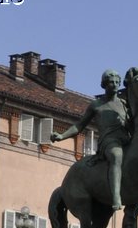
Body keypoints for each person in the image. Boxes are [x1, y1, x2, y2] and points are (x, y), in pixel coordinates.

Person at [52, 68, 129, 212]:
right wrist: (62, 136)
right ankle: (116, 196)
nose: (114, 85)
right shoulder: (96, 105)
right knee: (116, 156)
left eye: (116, 82)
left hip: (127, 140)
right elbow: (79, 126)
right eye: (110, 82)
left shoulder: (125, 104)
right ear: (104, 85)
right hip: (110, 142)